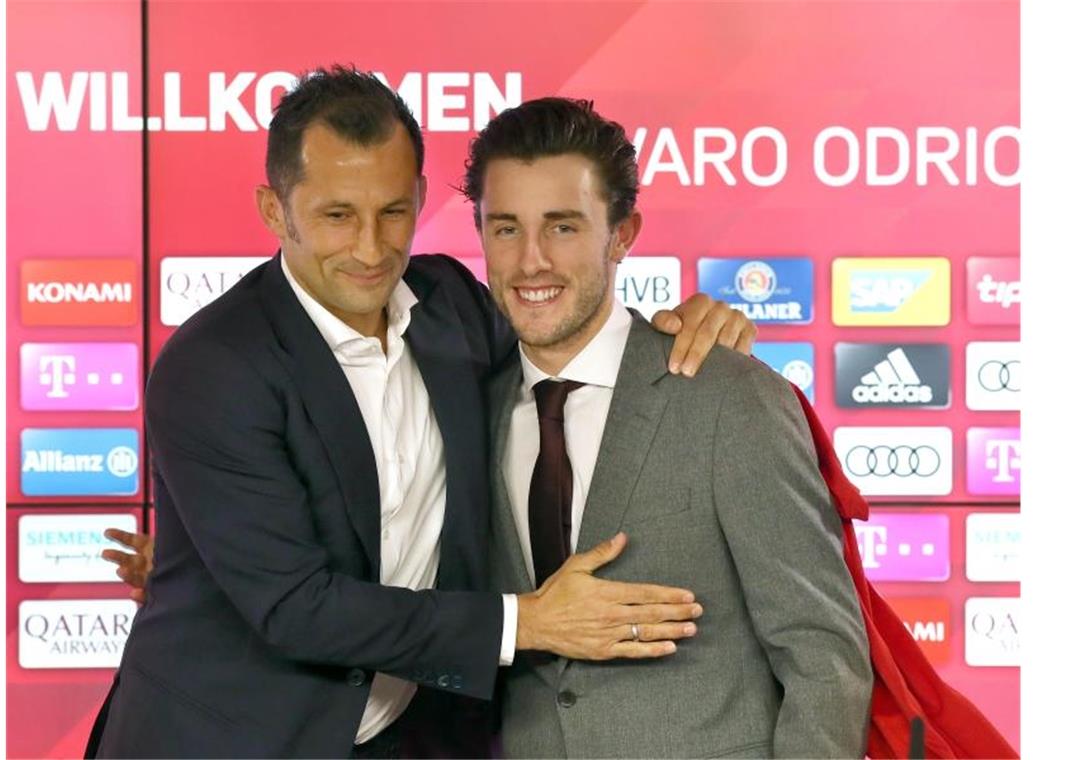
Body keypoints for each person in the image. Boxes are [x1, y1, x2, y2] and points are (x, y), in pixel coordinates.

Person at [87, 67, 755, 760]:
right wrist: (527, 622)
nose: (372, 249)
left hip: (415, 735)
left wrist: (685, 326)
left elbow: (566, 338)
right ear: (273, 210)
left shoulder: (451, 305)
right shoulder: (214, 366)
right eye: (337, 215)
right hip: (231, 740)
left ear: (420, 198)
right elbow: (296, 608)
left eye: (393, 212)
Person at [466, 97, 873, 758]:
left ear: (622, 234)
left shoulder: (731, 399)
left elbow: (824, 658)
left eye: (563, 227)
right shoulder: (463, 411)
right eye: (506, 228)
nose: (531, 260)